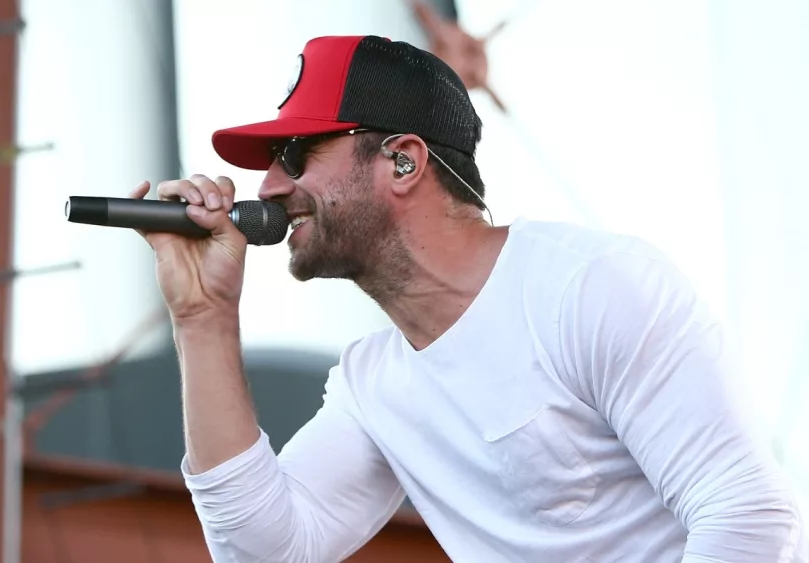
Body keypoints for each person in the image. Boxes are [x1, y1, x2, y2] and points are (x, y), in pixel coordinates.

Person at [131, 34, 806, 562]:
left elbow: (747, 515)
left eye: (295, 153)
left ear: (403, 160)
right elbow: (267, 553)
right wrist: (202, 316)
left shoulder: (590, 289)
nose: (270, 187)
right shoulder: (374, 383)